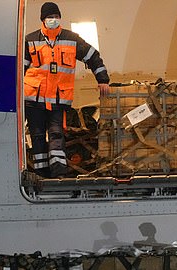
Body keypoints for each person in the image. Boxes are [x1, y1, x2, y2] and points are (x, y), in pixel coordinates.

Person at [24, 2, 110, 178]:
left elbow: (93, 56)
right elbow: (18, 70)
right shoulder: (30, 40)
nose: (53, 20)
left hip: (58, 99)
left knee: (56, 134)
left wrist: (103, 80)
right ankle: (41, 174)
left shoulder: (72, 39)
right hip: (34, 99)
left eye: (56, 17)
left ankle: (58, 174)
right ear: (43, 19)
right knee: (38, 136)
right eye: (50, 17)